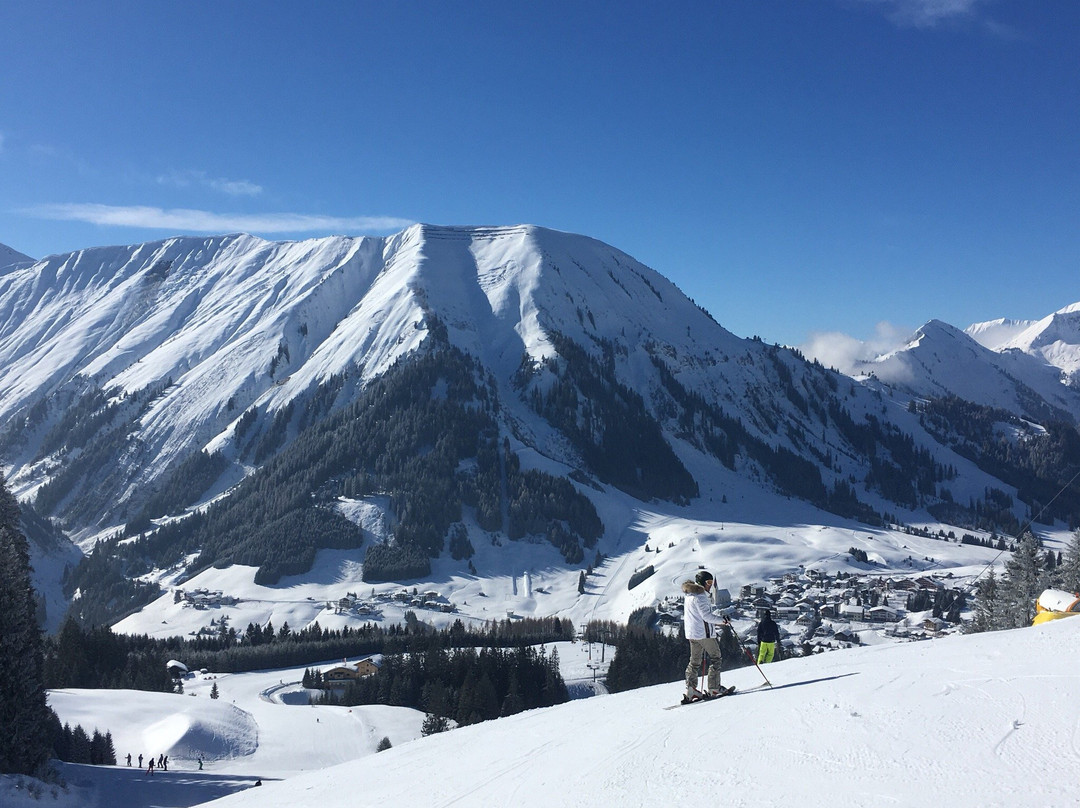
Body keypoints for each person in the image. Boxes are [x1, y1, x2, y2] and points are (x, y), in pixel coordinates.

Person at [681, 569, 735, 701]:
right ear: (701, 582)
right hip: (704, 634)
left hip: (692, 634)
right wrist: (723, 621)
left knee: (694, 662)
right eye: (708, 582)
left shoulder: (689, 595)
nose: (710, 585)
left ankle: (691, 690)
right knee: (716, 658)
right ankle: (714, 688)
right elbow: (707, 617)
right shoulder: (701, 597)